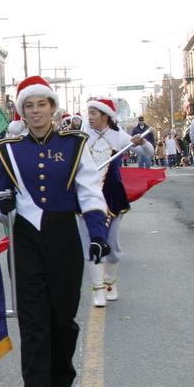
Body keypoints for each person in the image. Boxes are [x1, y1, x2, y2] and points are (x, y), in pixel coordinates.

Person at [0, 76, 109, 387]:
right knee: (32, 321)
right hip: (26, 239)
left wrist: (98, 232)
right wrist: (4, 205)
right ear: (21, 112)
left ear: (53, 108)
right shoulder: (9, 149)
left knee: (63, 319)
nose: (36, 111)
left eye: (41, 104)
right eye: (29, 106)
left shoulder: (75, 145)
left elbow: (89, 192)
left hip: (62, 237)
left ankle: (62, 379)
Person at [81, 98, 152, 307]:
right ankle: (98, 289)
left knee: (111, 244)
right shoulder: (82, 138)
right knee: (89, 243)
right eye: (89, 113)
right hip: (86, 194)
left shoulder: (119, 136)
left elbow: (146, 153)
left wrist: (142, 142)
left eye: (94, 113)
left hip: (111, 194)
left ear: (105, 116)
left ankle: (110, 283)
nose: (90, 117)